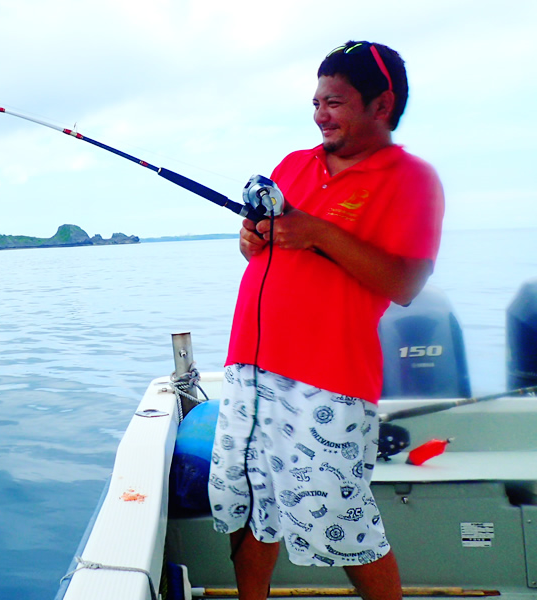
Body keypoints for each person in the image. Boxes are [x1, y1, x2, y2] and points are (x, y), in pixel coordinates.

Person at [208, 41, 444, 600]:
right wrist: (252, 238)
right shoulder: (294, 165)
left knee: (343, 519)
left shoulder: (410, 180)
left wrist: (320, 232)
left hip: (327, 379)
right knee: (250, 503)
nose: (319, 115)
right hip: (250, 366)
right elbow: (262, 254)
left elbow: (406, 284)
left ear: (381, 105)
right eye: (315, 102)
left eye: (334, 102)